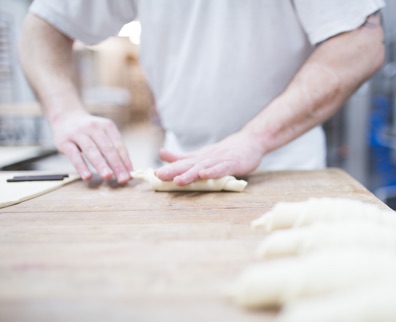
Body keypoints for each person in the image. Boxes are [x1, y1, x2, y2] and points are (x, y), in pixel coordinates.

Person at [19, 0, 385, 185]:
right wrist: (65, 112)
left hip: (284, 164)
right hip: (179, 163)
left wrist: (254, 139)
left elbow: (360, 43)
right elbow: (44, 25)